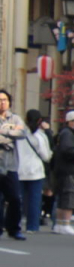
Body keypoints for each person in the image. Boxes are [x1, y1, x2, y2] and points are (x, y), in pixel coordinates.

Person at [16, 109, 51, 234]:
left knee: (18, 200)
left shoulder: (19, 134)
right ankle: (32, 226)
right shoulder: (40, 136)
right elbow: (46, 156)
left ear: (26, 119)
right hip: (36, 171)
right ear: (40, 121)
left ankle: (16, 224)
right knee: (35, 200)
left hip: (19, 170)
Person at [0, 90, 27, 239]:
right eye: (0, 100)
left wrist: (4, 132)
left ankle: (14, 229)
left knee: (15, 198)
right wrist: (10, 133)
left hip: (11, 165)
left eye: (5, 99)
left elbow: (22, 133)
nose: (2, 102)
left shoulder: (15, 118)